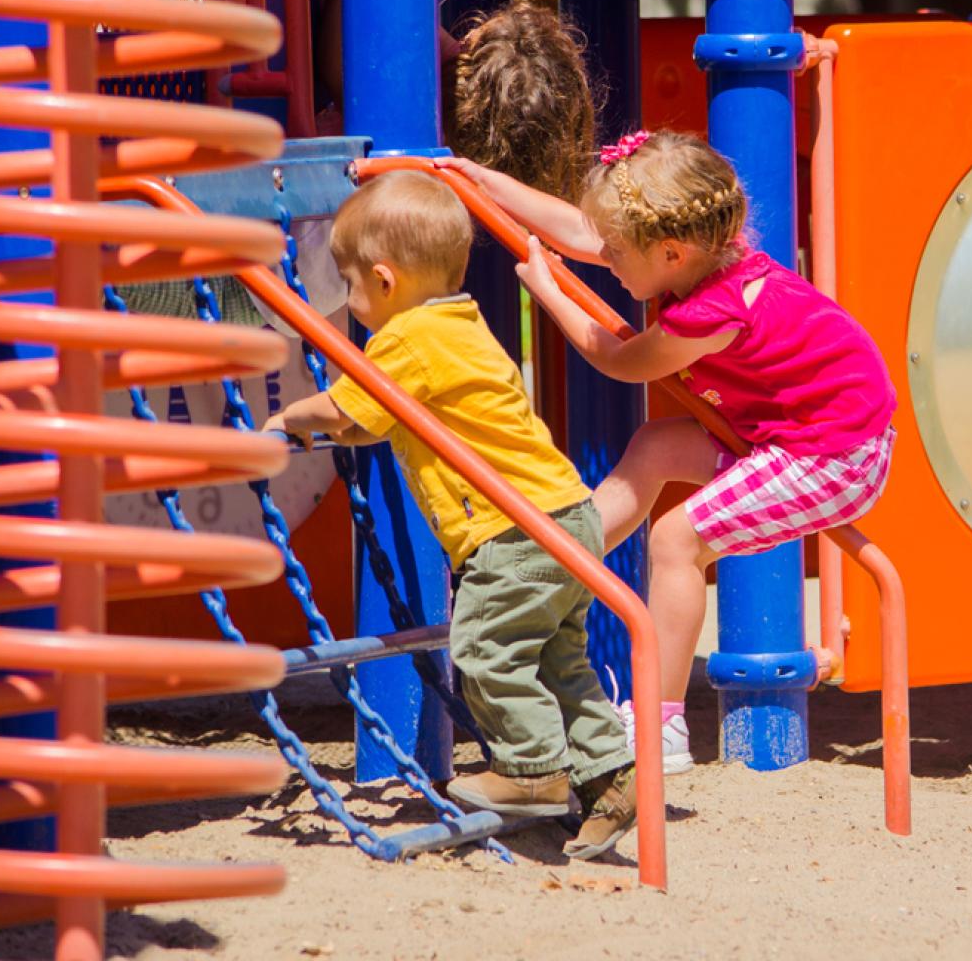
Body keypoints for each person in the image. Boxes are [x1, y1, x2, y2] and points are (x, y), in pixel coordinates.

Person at [436, 129, 897, 774]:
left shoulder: (711, 313)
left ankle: (663, 724)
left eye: (618, 253)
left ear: (672, 252)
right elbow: (579, 228)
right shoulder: (706, 261)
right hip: (790, 434)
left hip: (835, 454)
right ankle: (556, 561)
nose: (608, 260)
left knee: (678, 539)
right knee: (654, 446)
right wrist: (479, 177)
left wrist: (549, 291)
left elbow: (619, 361)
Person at [263, 170, 636, 859]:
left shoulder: (402, 341)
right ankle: (609, 775)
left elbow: (349, 407)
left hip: (509, 532)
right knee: (560, 660)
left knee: (484, 648)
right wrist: (336, 429)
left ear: (383, 280)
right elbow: (376, 421)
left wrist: (290, 417)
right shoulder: (458, 321)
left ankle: (533, 771)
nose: (351, 302)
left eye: (348, 284)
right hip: (565, 513)